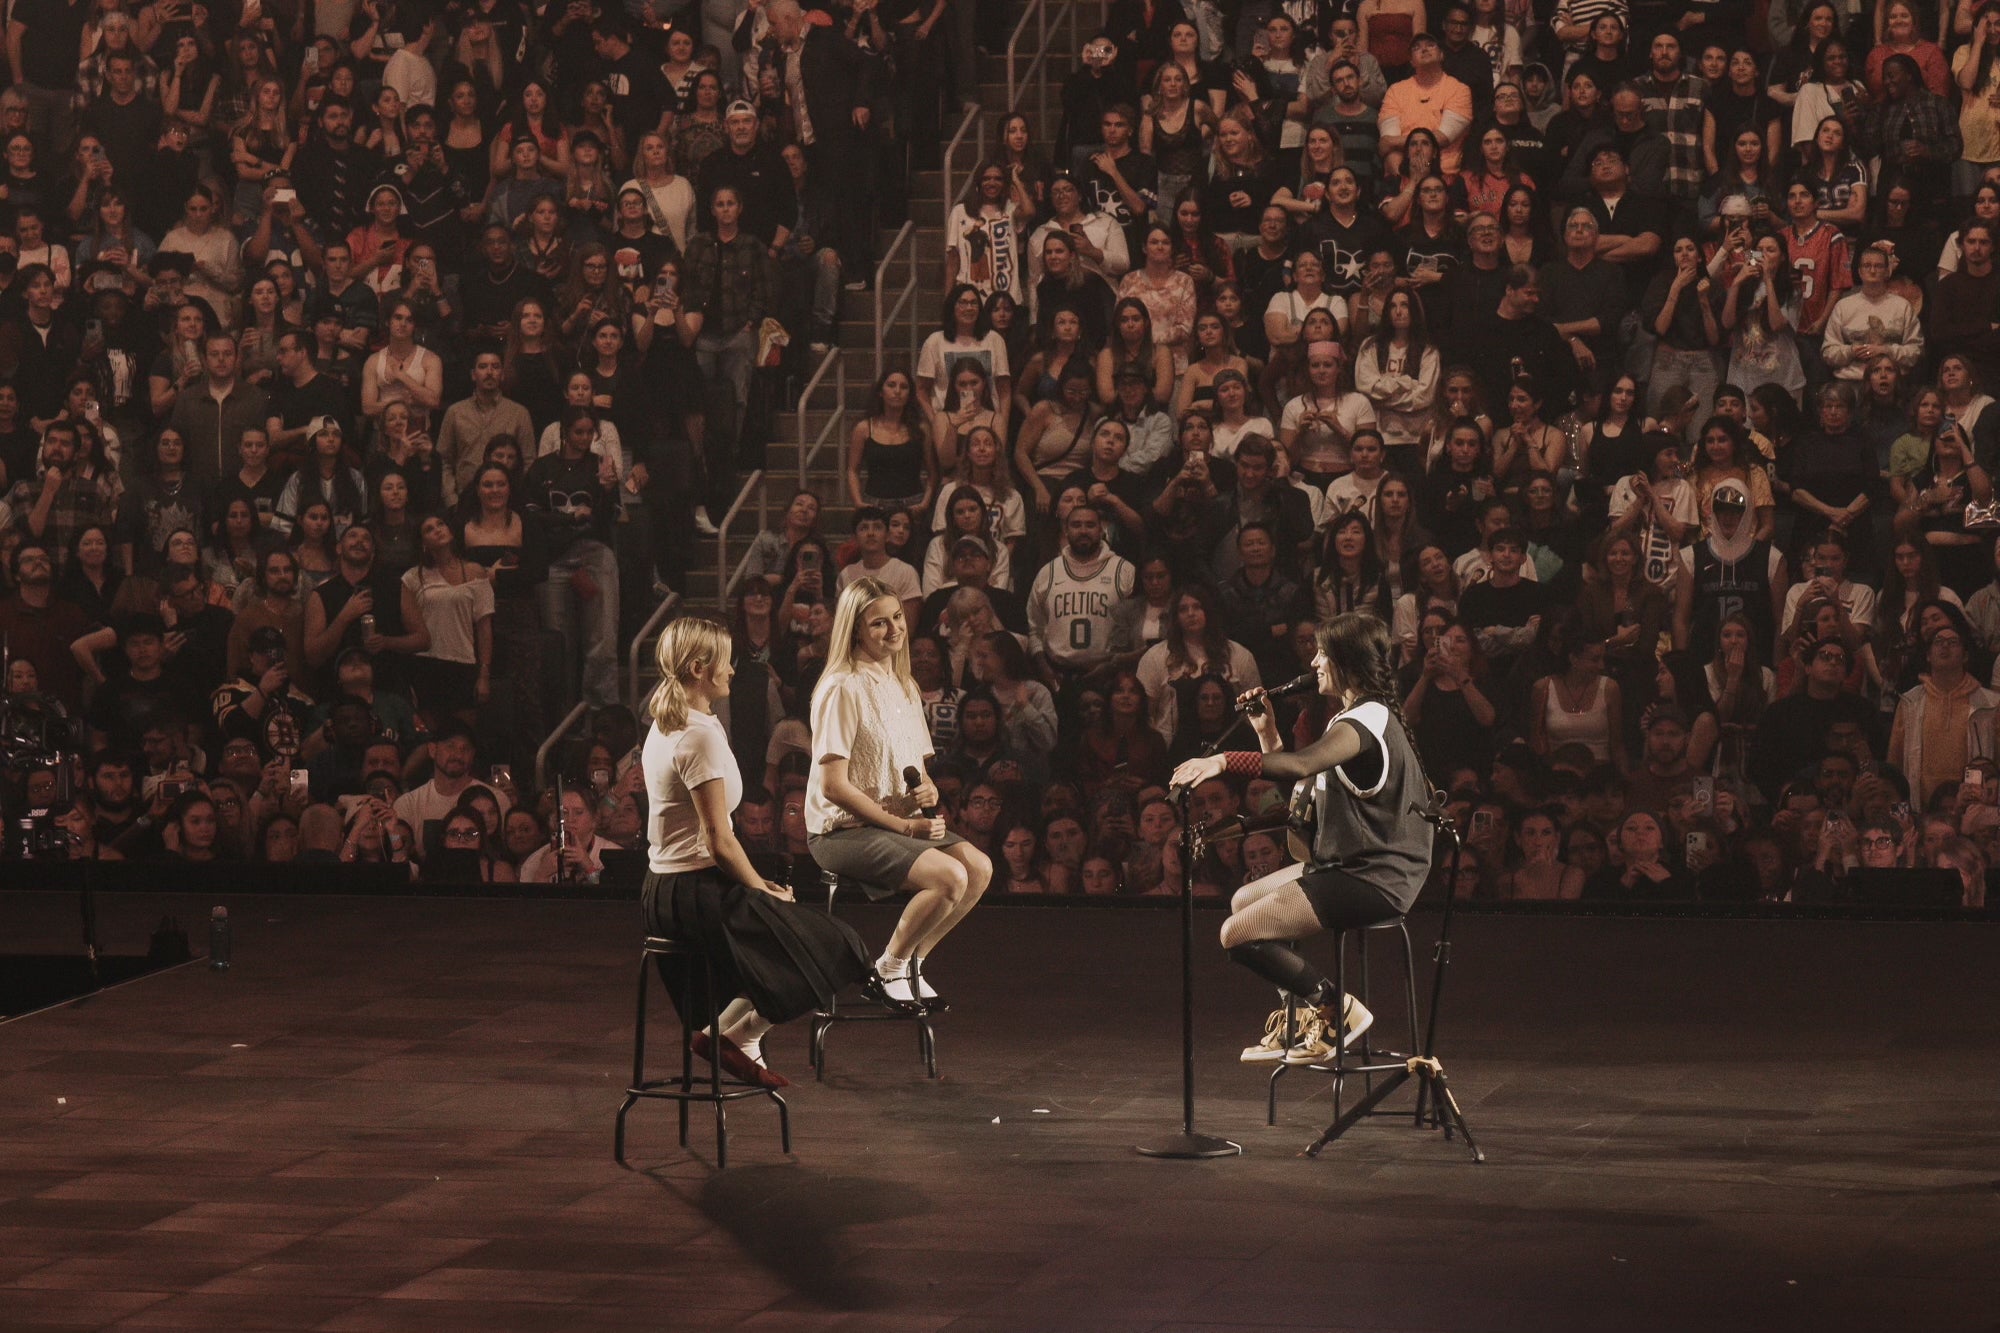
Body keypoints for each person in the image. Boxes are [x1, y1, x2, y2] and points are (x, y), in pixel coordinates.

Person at [1169, 613, 1436, 1062]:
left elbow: (1300, 765)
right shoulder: (1350, 720)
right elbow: (1300, 792)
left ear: (1347, 662)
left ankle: (1334, 1008)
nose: (1313, 662)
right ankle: (1297, 1017)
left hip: (1374, 877)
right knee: (1242, 903)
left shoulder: (1366, 722)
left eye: (1322, 654)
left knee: (1236, 932)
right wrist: (1266, 733)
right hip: (1347, 866)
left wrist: (1221, 761)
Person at [641, 616, 874, 1088]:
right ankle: (732, 1033)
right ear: (701, 667)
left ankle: (730, 1036)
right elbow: (717, 838)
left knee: (793, 941)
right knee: (837, 943)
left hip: (671, 889)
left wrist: (757, 887)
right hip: (694, 893)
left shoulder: (673, 723)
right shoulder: (697, 734)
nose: (734, 669)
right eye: (727, 661)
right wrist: (761, 889)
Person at [806, 577, 994, 1009]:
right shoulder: (842, 687)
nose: (893, 630)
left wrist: (924, 791)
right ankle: (887, 968)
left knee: (978, 868)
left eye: (896, 618)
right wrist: (904, 825)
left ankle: (911, 964)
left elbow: (914, 767)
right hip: (843, 831)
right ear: (854, 630)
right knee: (950, 877)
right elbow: (834, 786)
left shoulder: (904, 685)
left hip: (896, 822)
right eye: (878, 624)